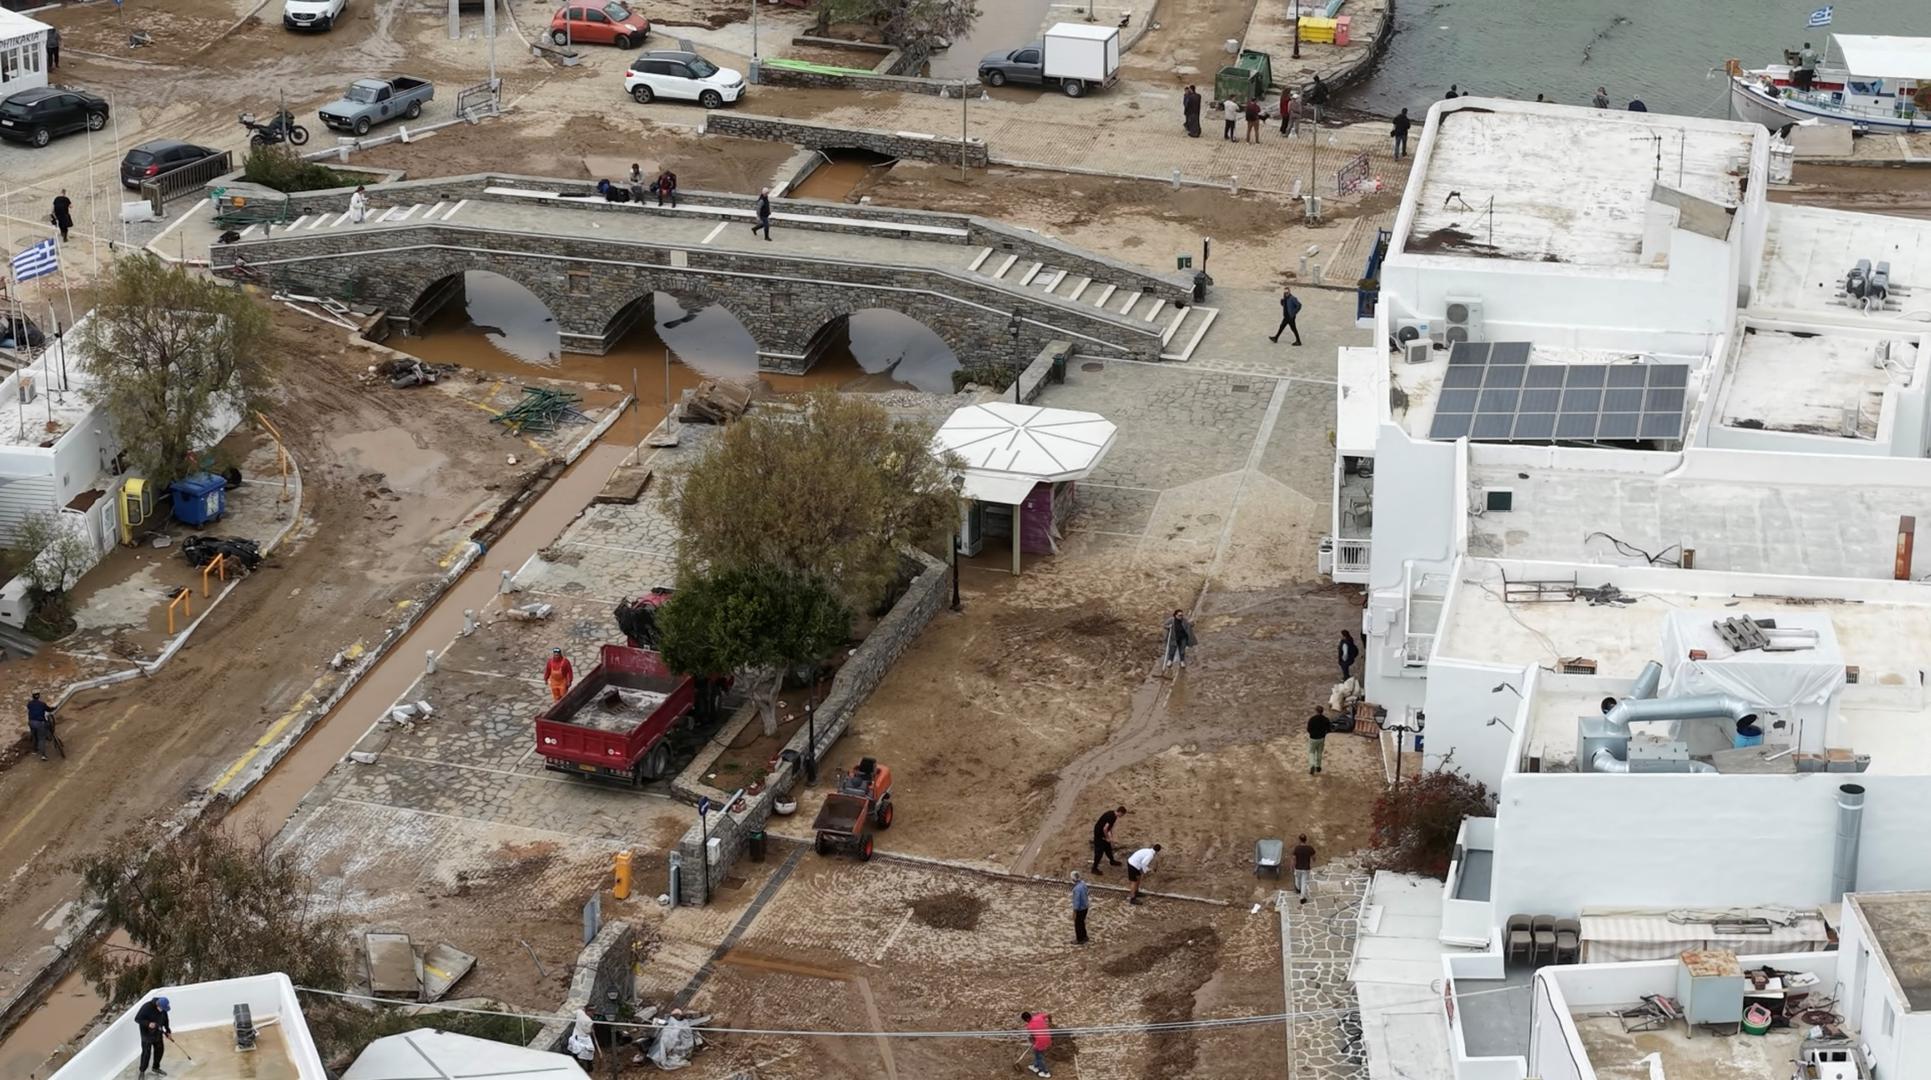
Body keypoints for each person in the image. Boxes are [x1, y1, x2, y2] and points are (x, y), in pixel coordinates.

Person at [136, 994, 171, 1077]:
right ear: (158, 1005)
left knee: (160, 1051)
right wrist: (148, 1024)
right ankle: (142, 1072)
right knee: (146, 1054)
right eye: (163, 1009)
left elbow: (165, 1019)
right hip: (147, 1035)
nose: (163, 1011)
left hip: (157, 1033)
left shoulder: (163, 1009)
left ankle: (155, 1067)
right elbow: (137, 1019)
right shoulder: (146, 1007)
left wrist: (167, 1030)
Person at [1091, 805, 1125, 872]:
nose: (1122, 816)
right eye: (1122, 814)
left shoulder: (1113, 815)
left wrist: (1110, 838)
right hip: (1099, 836)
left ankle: (1112, 861)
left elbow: (1109, 828)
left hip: (1103, 835)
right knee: (1099, 853)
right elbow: (1105, 829)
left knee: (1108, 849)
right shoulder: (1111, 817)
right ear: (1120, 812)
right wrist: (1106, 838)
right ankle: (1094, 868)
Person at [1022, 1010, 1053, 1077]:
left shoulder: (1029, 1026)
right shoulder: (1038, 1017)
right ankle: (1035, 1066)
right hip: (1048, 1039)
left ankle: (1045, 1072)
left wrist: (1033, 1042)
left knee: (1039, 1057)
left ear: (1027, 1019)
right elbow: (1049, 1014)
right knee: (1037, 1053)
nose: (1026, 1022)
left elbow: (1033, 1038)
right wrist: (1050, 1022)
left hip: (1041, 1043)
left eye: (1025, 1020)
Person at [26, 692, 53, 761]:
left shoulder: (29, 704)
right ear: (39, 696)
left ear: (32, 697)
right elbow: (49, 709)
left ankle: (34, 750)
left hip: (31, 722)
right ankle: (43, 755)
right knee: (41, 738)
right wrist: (53, 708)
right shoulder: (42, 704)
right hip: (39, 723)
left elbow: (29, 708)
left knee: (34, 736)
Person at [1291, 835, 1317, 905]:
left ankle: (1298, 889)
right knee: (1304, 883)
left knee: (1297, 879)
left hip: (1298, 868)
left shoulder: (1297, 848)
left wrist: (1292, 866)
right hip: (1306, 868)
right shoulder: (1309, 848)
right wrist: (1313, 860)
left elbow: (1294, 859)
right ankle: (1302, 897)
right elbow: (1314, 857)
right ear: (1306, 840)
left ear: (1299, 840)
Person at [1307, 705, 1330, 775]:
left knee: (1311, 752)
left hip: (1313, 738)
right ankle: (1318, 766)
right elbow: (1329, 728)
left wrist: (1311, 733)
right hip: (1321, 738)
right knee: (1319, 752)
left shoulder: (1312, 719)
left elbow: (1308, 729)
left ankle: (1312, 765)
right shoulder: (1326, 719)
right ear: (1322, 711)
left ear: (1316, 711)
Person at [1071, 871, 1090, 945]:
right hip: (1085, 907)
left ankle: (1079, 939)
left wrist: (1074, 912)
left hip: (1080, 909)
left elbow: (1076, 902)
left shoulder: (1076, 889)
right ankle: (1084, 936)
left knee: (1078, 924)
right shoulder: (1083, 884)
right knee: (1082, 922)